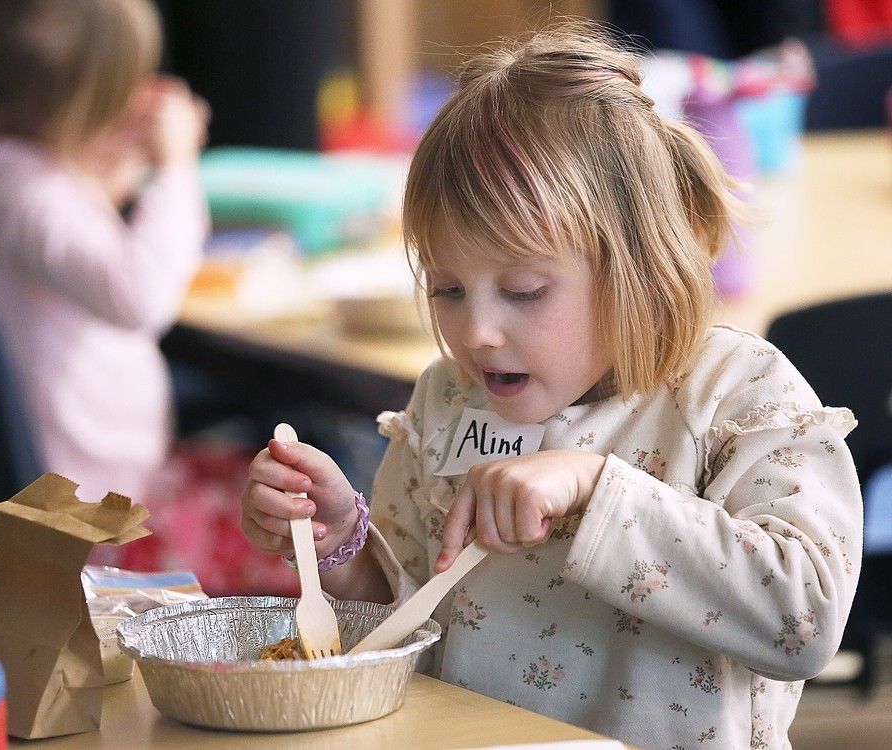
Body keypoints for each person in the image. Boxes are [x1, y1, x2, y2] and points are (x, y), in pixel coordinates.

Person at [241, 23, 862, 749]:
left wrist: (598, 487)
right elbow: (406, 628)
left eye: (525, 291)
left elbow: (805, 623)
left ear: (639, 268)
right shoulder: (446, 401)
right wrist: (341, 546)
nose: (475, 333)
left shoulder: (733, 395)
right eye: (446, 289)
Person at [0, 0, 210, 502]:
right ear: (66, 103)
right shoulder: (23, 187)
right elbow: (139, 295)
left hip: (76, 483)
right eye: (112, 91)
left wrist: (96, 180)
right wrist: (177, 168)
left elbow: (45, 249)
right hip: (96, 510)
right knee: (294, 513)